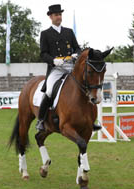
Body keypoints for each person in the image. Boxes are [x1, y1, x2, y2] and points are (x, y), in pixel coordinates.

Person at [36, 4, 101, 132]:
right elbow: (43, 54)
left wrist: (76, 53)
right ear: (50, 17)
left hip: (71, 67)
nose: (58, 17)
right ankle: (41, 120)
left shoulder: (69, 31)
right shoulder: (45, 34)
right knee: (49, 91)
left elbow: (77, 47)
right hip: (56, 69)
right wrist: (53, 61)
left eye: (60, 14)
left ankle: (91, 121)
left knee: (85, 87)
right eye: (56, 15)